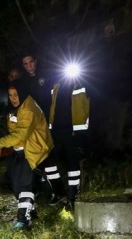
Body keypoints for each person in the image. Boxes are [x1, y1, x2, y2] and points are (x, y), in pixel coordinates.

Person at [0, 80, 53, 230]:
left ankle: (23, 221)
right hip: (20, 150)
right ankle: (31, 211)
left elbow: (21, 134)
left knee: (24, 184)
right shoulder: (15, 108)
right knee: (16, 184)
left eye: (16, 95)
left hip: (33, 150)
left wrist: (0, 143)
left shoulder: (28, 109)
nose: (13, 98)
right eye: (10, 95)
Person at [44, 68, 90, 210]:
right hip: (56, 132)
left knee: (73, 167)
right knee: (49, 163)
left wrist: (82, 135)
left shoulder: (82, 85)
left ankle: (72, 197)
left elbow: (87, 108)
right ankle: (60, 193)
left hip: (73, 133)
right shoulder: (56, 86)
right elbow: (52, 107)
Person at [20, 52, 54, 119]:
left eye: (31, 62)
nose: (29, 66)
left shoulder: (46, 75)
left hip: (49, 113)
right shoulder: (23, 81)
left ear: (35, 62)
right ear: (23, 66)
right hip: (33, 116)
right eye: (26, 64)